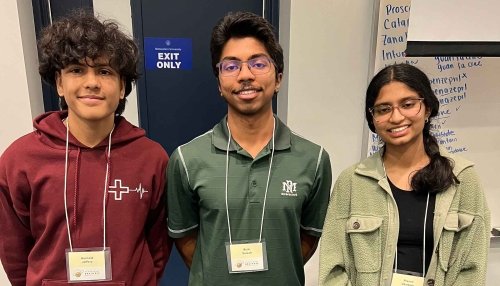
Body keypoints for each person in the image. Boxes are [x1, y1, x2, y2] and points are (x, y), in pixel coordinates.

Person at [0, 11, 171, 285]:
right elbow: (14, 252)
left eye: (105, 71)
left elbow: (158, 245)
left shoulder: (152, 159)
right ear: (59, 83)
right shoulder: (20, 160)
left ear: (122, 87)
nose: (91, 82)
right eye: (77, 70)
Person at [167, 11, 332, 285]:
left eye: (258, 63)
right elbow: (185, 239)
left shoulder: (313, 160)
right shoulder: (186, 159)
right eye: (231, 66)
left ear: (278, 78)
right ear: (219, 83)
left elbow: (307, 238)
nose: (245, 75)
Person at [319, 63, 490, 286]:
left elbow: (472, 269)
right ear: (372, 118)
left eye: (408, 104)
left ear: (427, 108)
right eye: (383, 109)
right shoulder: (352, 182)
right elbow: (334, 268)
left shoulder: (463, 178)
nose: (396, 117)